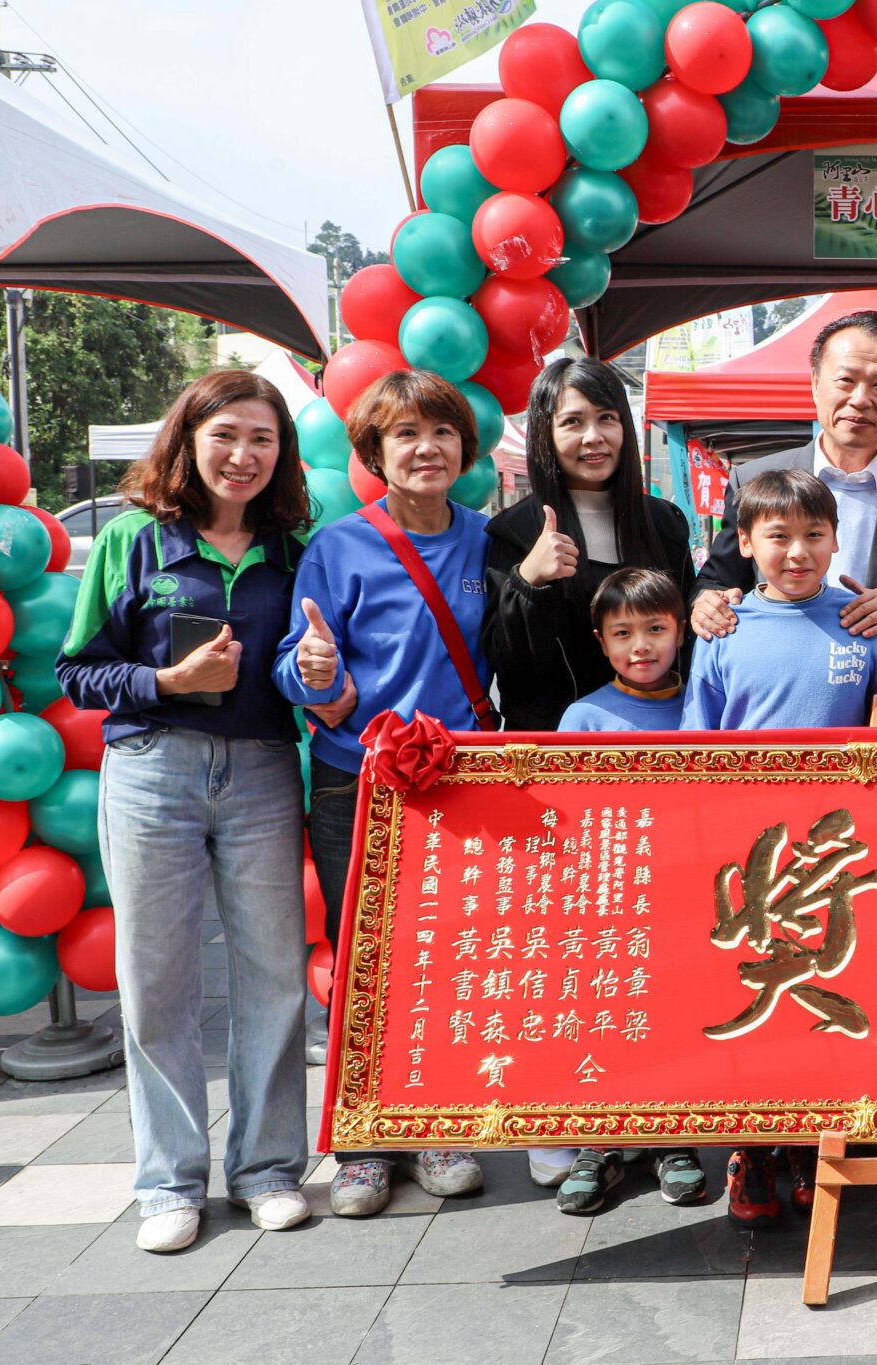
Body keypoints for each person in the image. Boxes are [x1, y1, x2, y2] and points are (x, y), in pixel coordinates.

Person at [56, 371, 320, 1253]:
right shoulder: (130, 538)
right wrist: (164, 682)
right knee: (158, 979)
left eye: (263, 438)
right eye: (227, 435)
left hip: (263, 772)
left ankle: (268, 1169)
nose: (244, 455)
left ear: (282, 453)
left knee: (274, 975)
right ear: (188, 438)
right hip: (151, 772)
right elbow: (80, 669)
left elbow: (311, 655)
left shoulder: (293, 547)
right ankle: (168, 1181)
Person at [683, 468, 877, 1224]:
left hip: (832, 859)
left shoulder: (859, 622)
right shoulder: (724, 629)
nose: (798, 551)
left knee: (828, 1002)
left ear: (837, 539)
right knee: (750, 1002)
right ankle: (753, 1148)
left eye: (814, 535)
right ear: (744, 544)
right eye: (777, 536)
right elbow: (692, 743)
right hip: (748, 859)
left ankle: (818, 1145)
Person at [274, 370, 493, 1218]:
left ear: (464, 450)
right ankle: (363, 1143)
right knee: (364, 951)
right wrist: (312, 670)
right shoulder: (339, 547)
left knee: (444, 949)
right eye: (404, 435)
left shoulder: (487, 540)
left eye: (440, 432)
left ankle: (437, 1119)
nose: (425, 448)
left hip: (462, 777)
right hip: (356, 776)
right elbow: (295, 661)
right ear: (373, 454)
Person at [526, 568, 709, 1214]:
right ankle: (599, 1140)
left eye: (656, 629)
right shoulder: (585, 715)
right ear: (601, 642)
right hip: (610, 898)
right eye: (623, 633)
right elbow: (566, 817)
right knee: (607, 1017)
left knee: (675, 1015)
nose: (641, 646)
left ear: (681, 632)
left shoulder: (705, 706)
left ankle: (673, 1136)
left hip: (686, 894)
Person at [691, 309, 877, 671]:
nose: (860, 399)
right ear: (814, 382)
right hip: (774, 687)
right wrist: (706, 603)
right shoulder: (752, 480)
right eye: (846, 380)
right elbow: (716, 580)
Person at [484, 357, 694, 734]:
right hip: (555, 754)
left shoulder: (665, 524)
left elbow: (690, 642)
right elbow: (508, 668)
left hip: (658, 743)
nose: (593, 436)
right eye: (572, 422)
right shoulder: (516, 533)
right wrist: (527, 583)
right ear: (545, 434)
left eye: (607, 418)